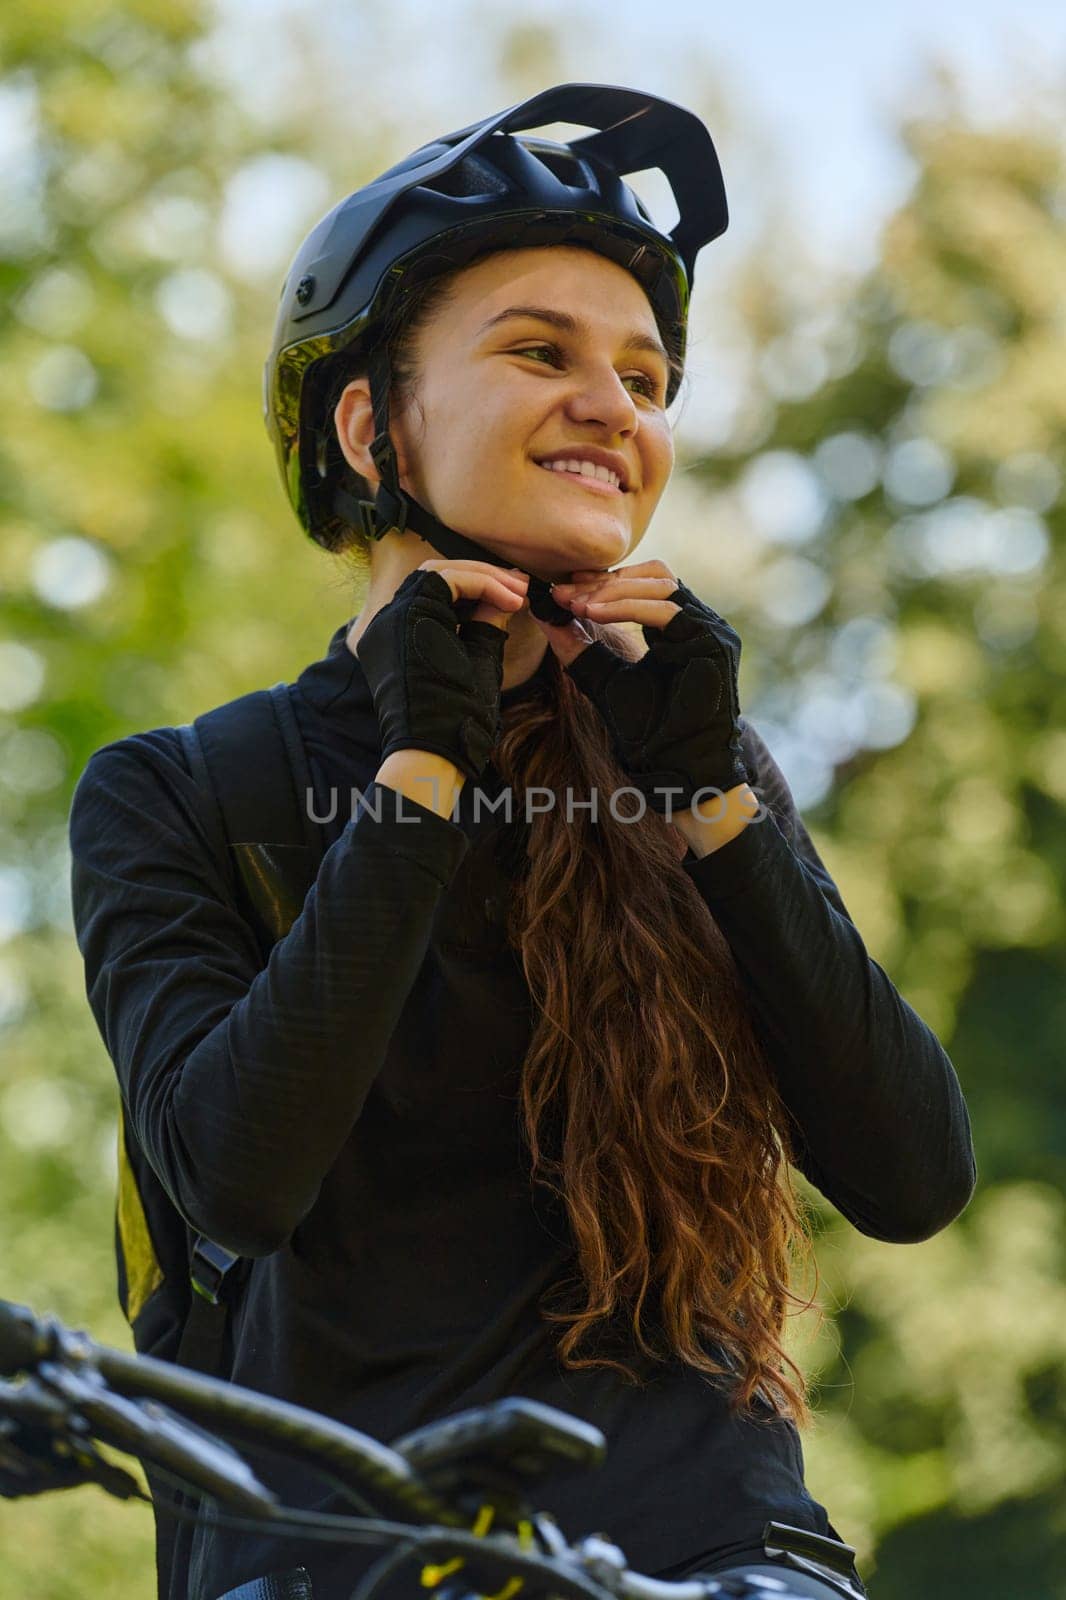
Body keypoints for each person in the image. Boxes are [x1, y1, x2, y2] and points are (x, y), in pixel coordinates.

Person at [68, 85, 977, 1600]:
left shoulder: (696, 761)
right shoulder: (182, 791)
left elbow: (911, 1176)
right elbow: (237, 1175)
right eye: (538, 353)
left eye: (641, 374)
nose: (614, 407)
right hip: (338, 1559)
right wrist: (422, 763)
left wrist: (716, 805)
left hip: (711, 1555)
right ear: (371, 426)